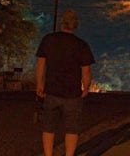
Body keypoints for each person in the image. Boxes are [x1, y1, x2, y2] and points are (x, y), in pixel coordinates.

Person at [35, 9, 95, 156]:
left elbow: (41, 65)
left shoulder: (48, 40)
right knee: (72, 128)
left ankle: (48, 154)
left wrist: (39, 84)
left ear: (62, 23)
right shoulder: (81, 45)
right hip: (73, 94)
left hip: (51, 91)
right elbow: (86, 71)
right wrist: (86, 87)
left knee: (48, 126)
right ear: (75, 25)